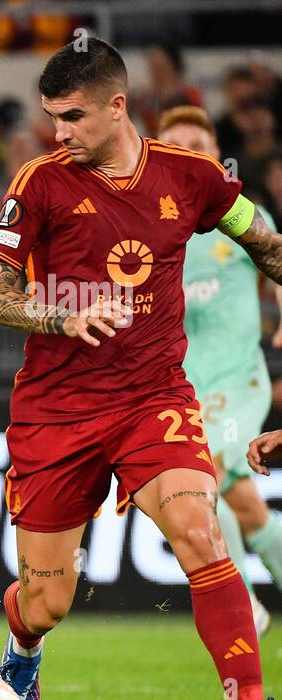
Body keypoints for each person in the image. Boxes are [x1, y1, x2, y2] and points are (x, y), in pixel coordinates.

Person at [0, 38, 282, 700]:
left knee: (200, 532)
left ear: (118, 106)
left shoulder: (194, 179)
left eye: (72, 116)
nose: (59, 132)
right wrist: (60, 315)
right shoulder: (41, 182)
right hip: (56, 411)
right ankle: (22, 650)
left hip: (154, 397)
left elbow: (265, 245)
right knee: (48, 601)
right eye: (52, 117)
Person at [159, 105, 282, 637]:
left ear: (215, 157)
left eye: (196, 144)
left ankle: (243, 604)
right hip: (182, 386)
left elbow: (276, 262)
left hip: (239, 377)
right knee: (246, 508)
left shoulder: (238, 216)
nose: (187, 152)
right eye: (175, 144)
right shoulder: (153, 233)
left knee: (204, 470)